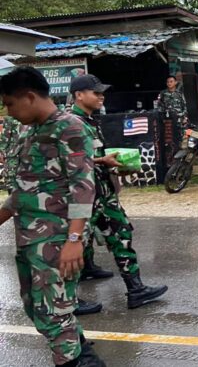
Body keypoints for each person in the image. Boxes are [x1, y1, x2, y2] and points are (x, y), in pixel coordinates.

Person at [0, 67, 106, 367]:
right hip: (29, 237)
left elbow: (84, 187)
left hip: (58, 238)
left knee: (54, 313)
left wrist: (74, 239)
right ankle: (83, 355)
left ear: (30, 97)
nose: (8, 112)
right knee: (36, 306)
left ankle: (74, 361)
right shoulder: (29, 130)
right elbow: (24, 189)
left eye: (10, 104)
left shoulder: (70, 128)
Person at [67, 74, 169, 310]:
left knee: (122, 234)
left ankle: (136, 289)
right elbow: (70, 163)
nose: (101, 96)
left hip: (102, 194)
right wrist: (102, 161)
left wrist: (112, 169)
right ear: (79, 95)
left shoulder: (91, 120)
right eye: (96, 92)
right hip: (83, 197)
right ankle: (67, 301)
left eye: (102, 92)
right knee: (76, 244)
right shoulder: (70, 123)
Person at [0, 114, 22, 192]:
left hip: (27, 154)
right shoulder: (10, 118)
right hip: (13, 155)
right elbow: (5, 136)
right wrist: (1, 151)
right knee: (12, 183)